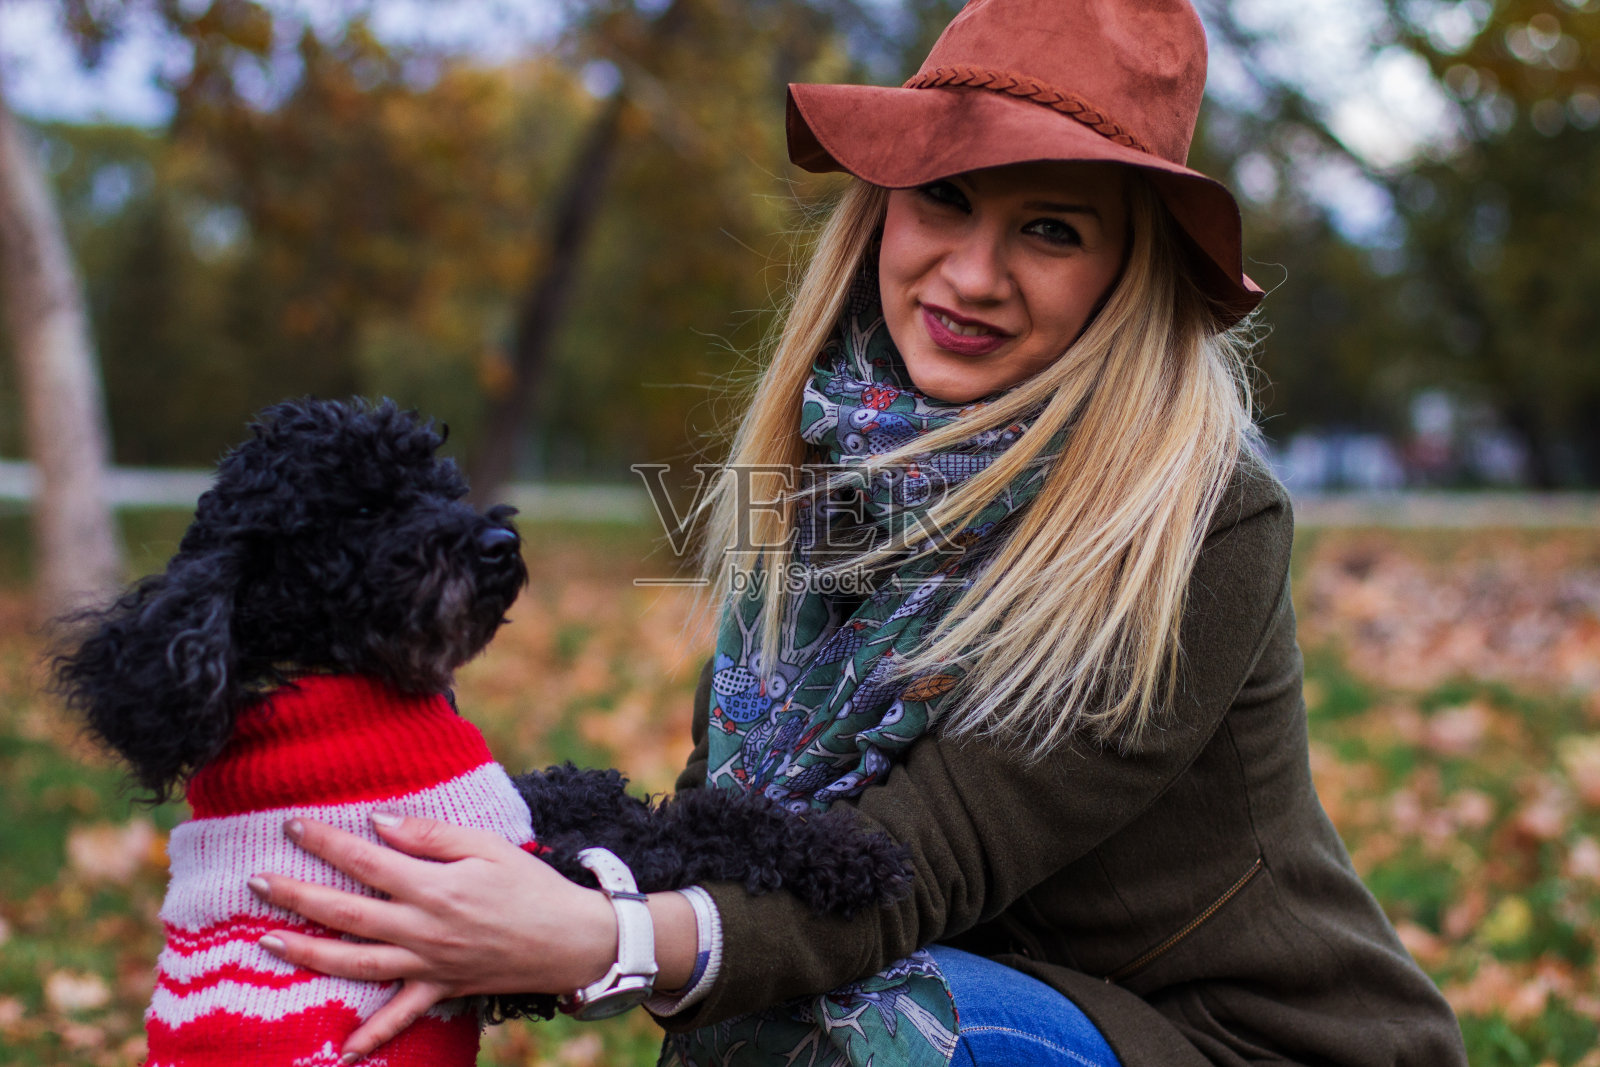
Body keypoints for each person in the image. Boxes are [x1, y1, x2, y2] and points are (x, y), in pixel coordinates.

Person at [244, 1, 1470, 1064]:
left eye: (1051, 229)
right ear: (882, 207)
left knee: (846, 1020)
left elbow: (918, 859)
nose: (973, 273)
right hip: (973, 997)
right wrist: (468, 873)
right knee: (764, 996)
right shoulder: (834, 468)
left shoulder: (1194, 519)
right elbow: (722, 822)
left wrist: (603, 938)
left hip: (1224, 1040)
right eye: (944, 198)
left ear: (1125, 273)